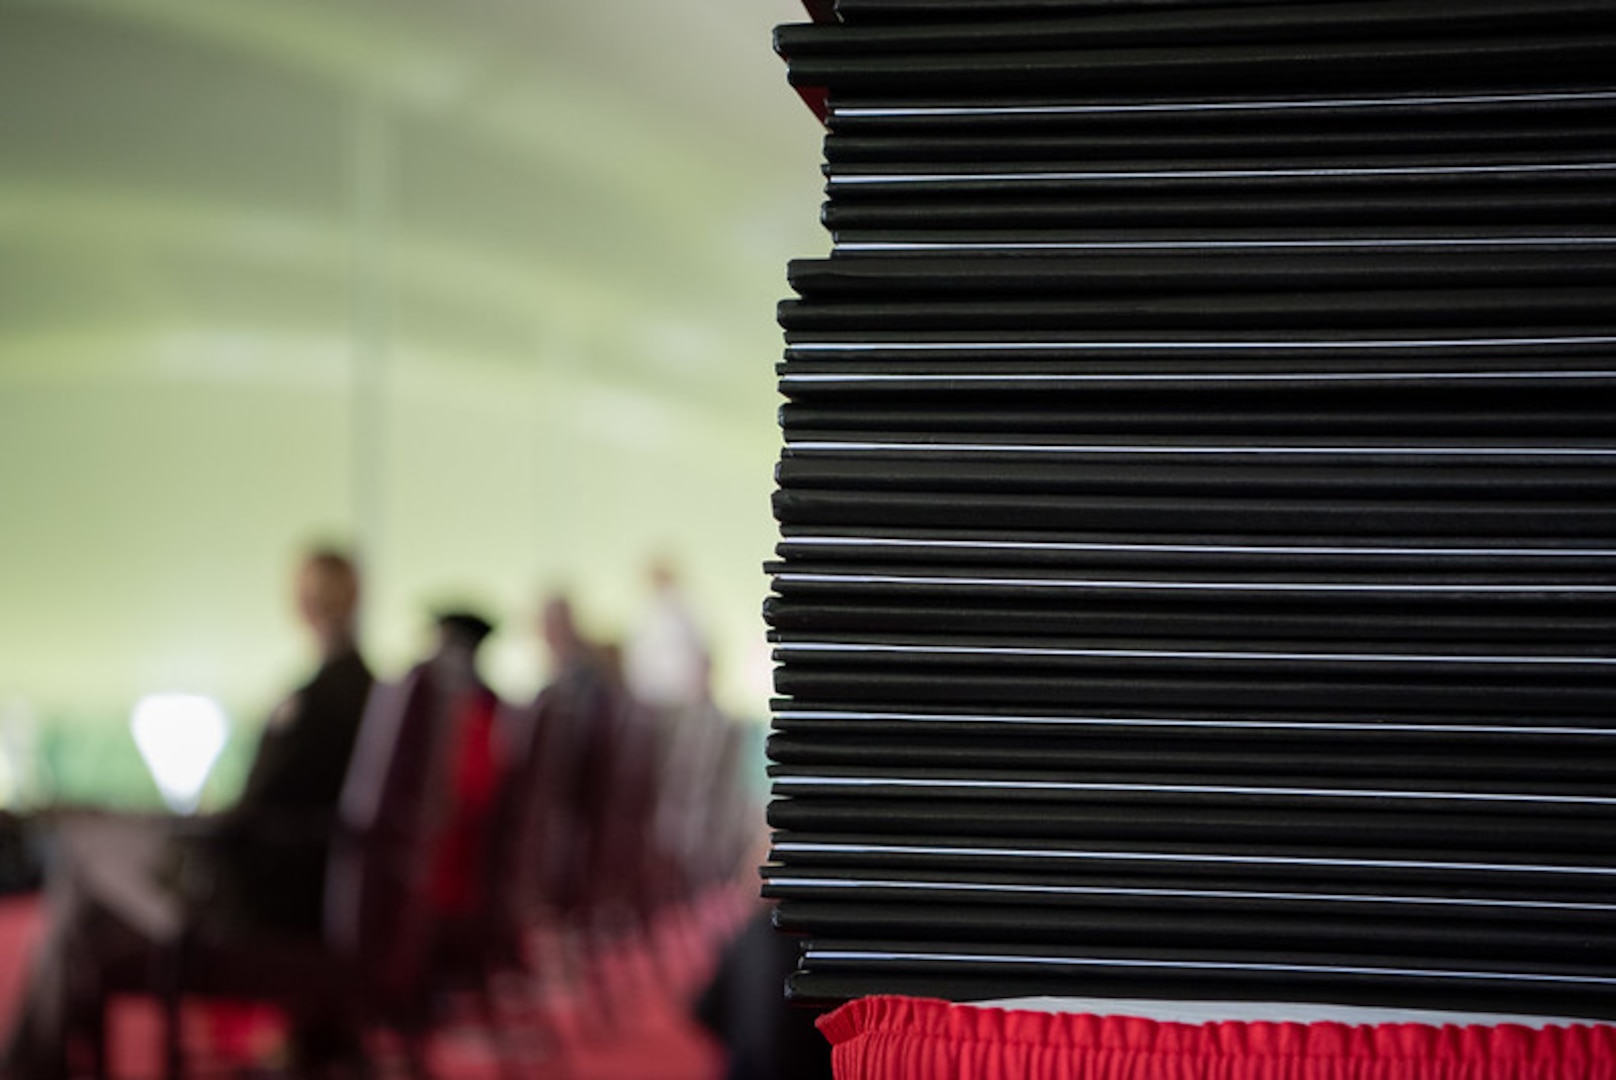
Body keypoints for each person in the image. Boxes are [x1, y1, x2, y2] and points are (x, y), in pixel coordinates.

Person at [1, 547, 373, 1080]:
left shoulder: (322, 699)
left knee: (82, 855)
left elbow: (259, 813)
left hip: (252, 897)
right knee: (85, 924)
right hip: (291, 882)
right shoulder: (365, 692)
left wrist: (198, 826)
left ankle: (29, 1065)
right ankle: (38, 1056)